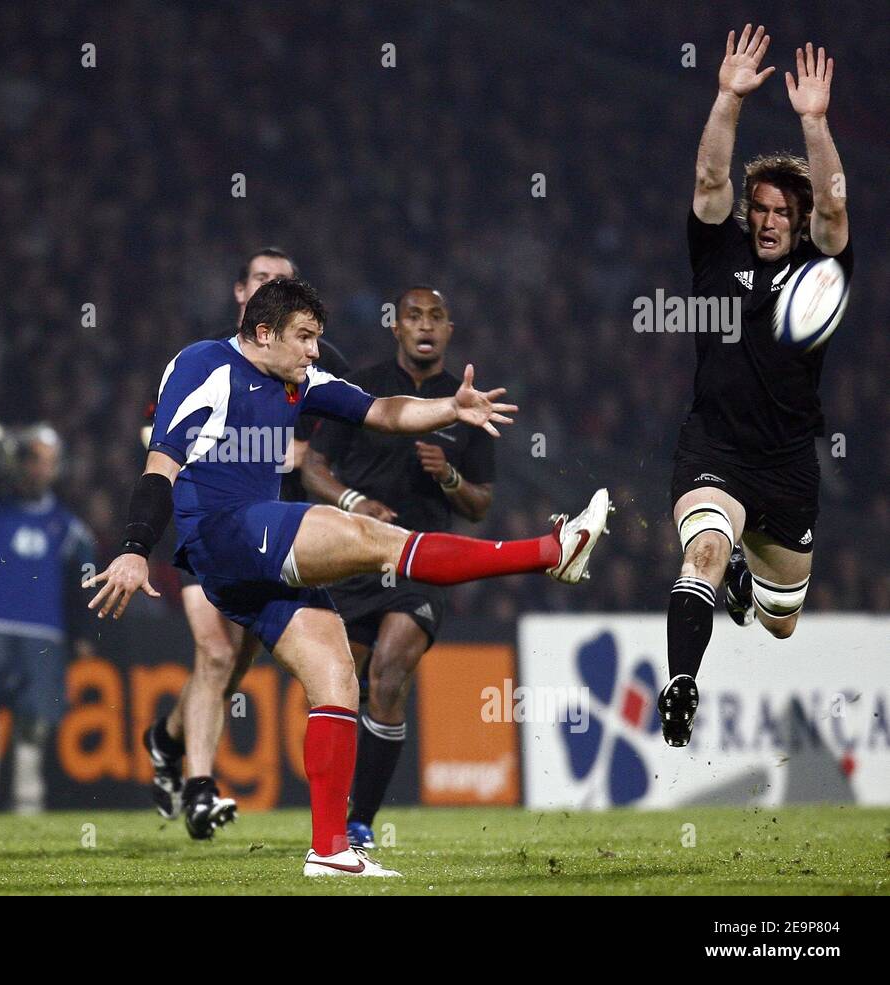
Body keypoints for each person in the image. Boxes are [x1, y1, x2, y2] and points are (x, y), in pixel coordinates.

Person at [86, 278, 610, 877]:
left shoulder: (298, 381)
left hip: (253, 562)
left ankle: (330, 851)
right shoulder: (204, 366)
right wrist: (134, 548)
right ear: (264, 333)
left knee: (336, 678)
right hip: (224, 532)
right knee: (369, 537)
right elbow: (159, 469)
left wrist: (451, 409)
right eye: (304, 338)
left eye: (318, 338)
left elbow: (379, 411)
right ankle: (550, 550)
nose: (314, 351)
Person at [659, 27, 852, 746]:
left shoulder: (820, 268)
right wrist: (726, 99)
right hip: (715, 448)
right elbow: (711, 179)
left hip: (788, 463)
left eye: (781, 213)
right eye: (760, 209)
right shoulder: (718, 253)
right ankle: (682, 682)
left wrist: (814, 123)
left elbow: (835, 209)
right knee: (702, 551)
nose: (768, 221)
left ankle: (749, 574)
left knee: (780, 621)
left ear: (796, 223)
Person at [141, 247, 355, 839]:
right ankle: (201, 789)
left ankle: (165, 739)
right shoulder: (204, 361)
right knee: (214, 653)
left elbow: (313, 449)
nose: (273, 286)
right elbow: (155, 439)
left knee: (235, 660)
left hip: (271, 529)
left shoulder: (308, 360)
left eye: (283, 280)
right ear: (244, 296)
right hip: (206, 522)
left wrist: (329, 484)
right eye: (263, 279)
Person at [301, 285, 495, 849]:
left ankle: (361, 818)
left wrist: (451, 478)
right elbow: (314, 466)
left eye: (436, 316)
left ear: (449, 329)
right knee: (341, 683)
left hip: (423, 560)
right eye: (414, 315)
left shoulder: (466, 401)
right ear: (397, 327)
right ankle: (333, 816)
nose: (425, 325)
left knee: (389, 672)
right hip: (355, 556)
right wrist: (354, 503)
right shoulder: (360, 388)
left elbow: (481, 504)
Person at [0, 424, 96, 814]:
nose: (36, 469)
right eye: (31, 458)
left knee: (35, 724)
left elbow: (84, 585)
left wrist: (81, 634)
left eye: (46, 461)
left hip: (42, 634)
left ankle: (28, 803)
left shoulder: (67, 527)